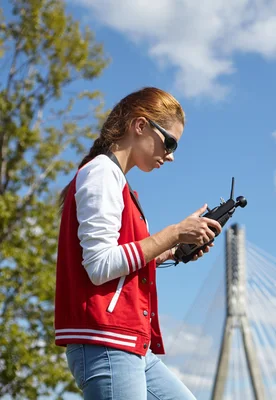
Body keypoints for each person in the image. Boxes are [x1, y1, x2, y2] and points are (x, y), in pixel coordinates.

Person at [54, 87, 222, 399]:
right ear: (140, 126)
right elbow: (100, 266)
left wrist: (173, 249)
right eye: (169, 142)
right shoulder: (101, 173)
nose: (170, 155)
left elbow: (117, 260)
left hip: (128, 343)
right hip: (105, 340)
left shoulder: (117, 182)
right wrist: (172, 233)